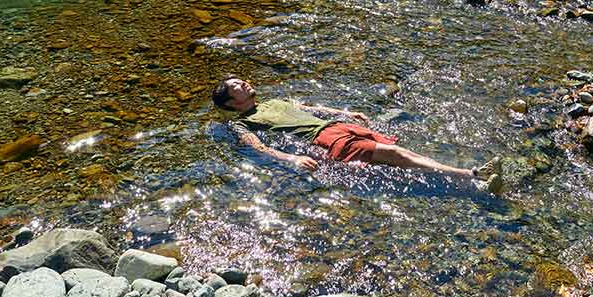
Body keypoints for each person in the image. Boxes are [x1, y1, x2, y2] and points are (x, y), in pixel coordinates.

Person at [212, 76, 504, 194]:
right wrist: (291, 158)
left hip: (339, 129)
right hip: (326, 141)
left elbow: (310, 107)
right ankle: (473, 175)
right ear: (230, 102)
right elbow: (258, 147)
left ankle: (470, 178)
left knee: (402, 155)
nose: (245, 82)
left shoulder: (271, 102)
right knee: (395, 155)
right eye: (237, 84)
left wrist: (345, 113)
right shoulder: (243, 123)